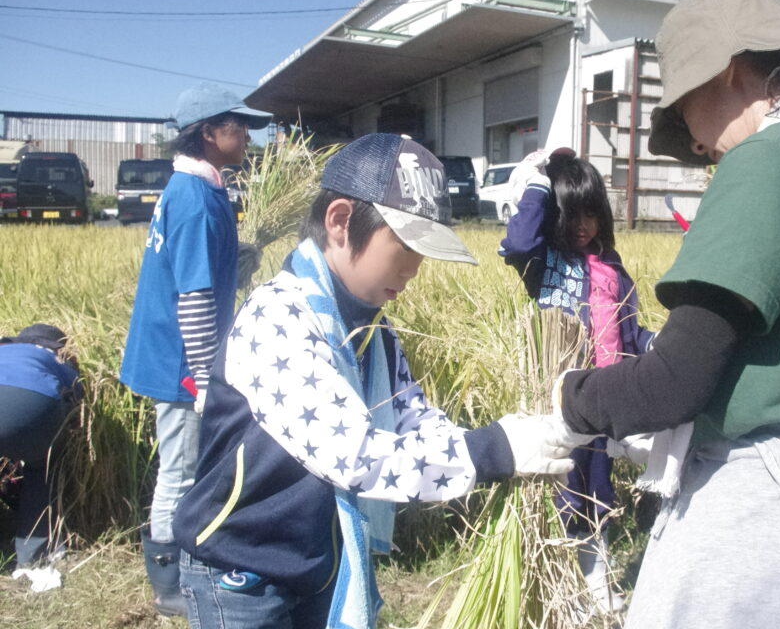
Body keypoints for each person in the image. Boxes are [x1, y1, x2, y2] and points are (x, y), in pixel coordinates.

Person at [548, 0, 780, 628]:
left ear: (727, 71)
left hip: (775, 496)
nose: (695, 143)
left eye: (684, 106)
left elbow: (676, 382)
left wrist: (569, 403)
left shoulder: (771, 157)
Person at [172, 133, 590, 629]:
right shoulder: (279, 317)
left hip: (314, 559)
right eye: (406, 245)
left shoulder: (374, 328)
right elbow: (354, 455)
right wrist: (492, 450)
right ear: (340, 221)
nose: (415, 268)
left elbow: (410, 412)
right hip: (240, 570)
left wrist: (510, 436)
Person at [119, 82, 272, 616]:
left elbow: (202, 271)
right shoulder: (195, 199)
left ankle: (186, 561)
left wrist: (240, 257)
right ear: (209, 133)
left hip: (176, 353)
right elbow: (194, 299)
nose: (249, 136)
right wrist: (206, 377)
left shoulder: (198, 190)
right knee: (180, 468)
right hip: (179, 361)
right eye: (240, 126)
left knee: (187, 464)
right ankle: (166, 586)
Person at [499, 148, 656, 613]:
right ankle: (558, 590)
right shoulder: (544, 262)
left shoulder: (611, 267)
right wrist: (537, 183)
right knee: (561, 492)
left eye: (592, 212)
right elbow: (520, 242)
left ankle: (596, 581)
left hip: (601, 400)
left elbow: (629, 329)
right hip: (553, 401)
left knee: (597, 491)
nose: (584, 224)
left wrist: (653, 344)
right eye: (573, 213)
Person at [0, 323, 82, 592]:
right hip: (31, 407)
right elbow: (77, 394)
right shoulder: (50, 357)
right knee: (43, 468)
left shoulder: (6, 350)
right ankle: (32, 554)